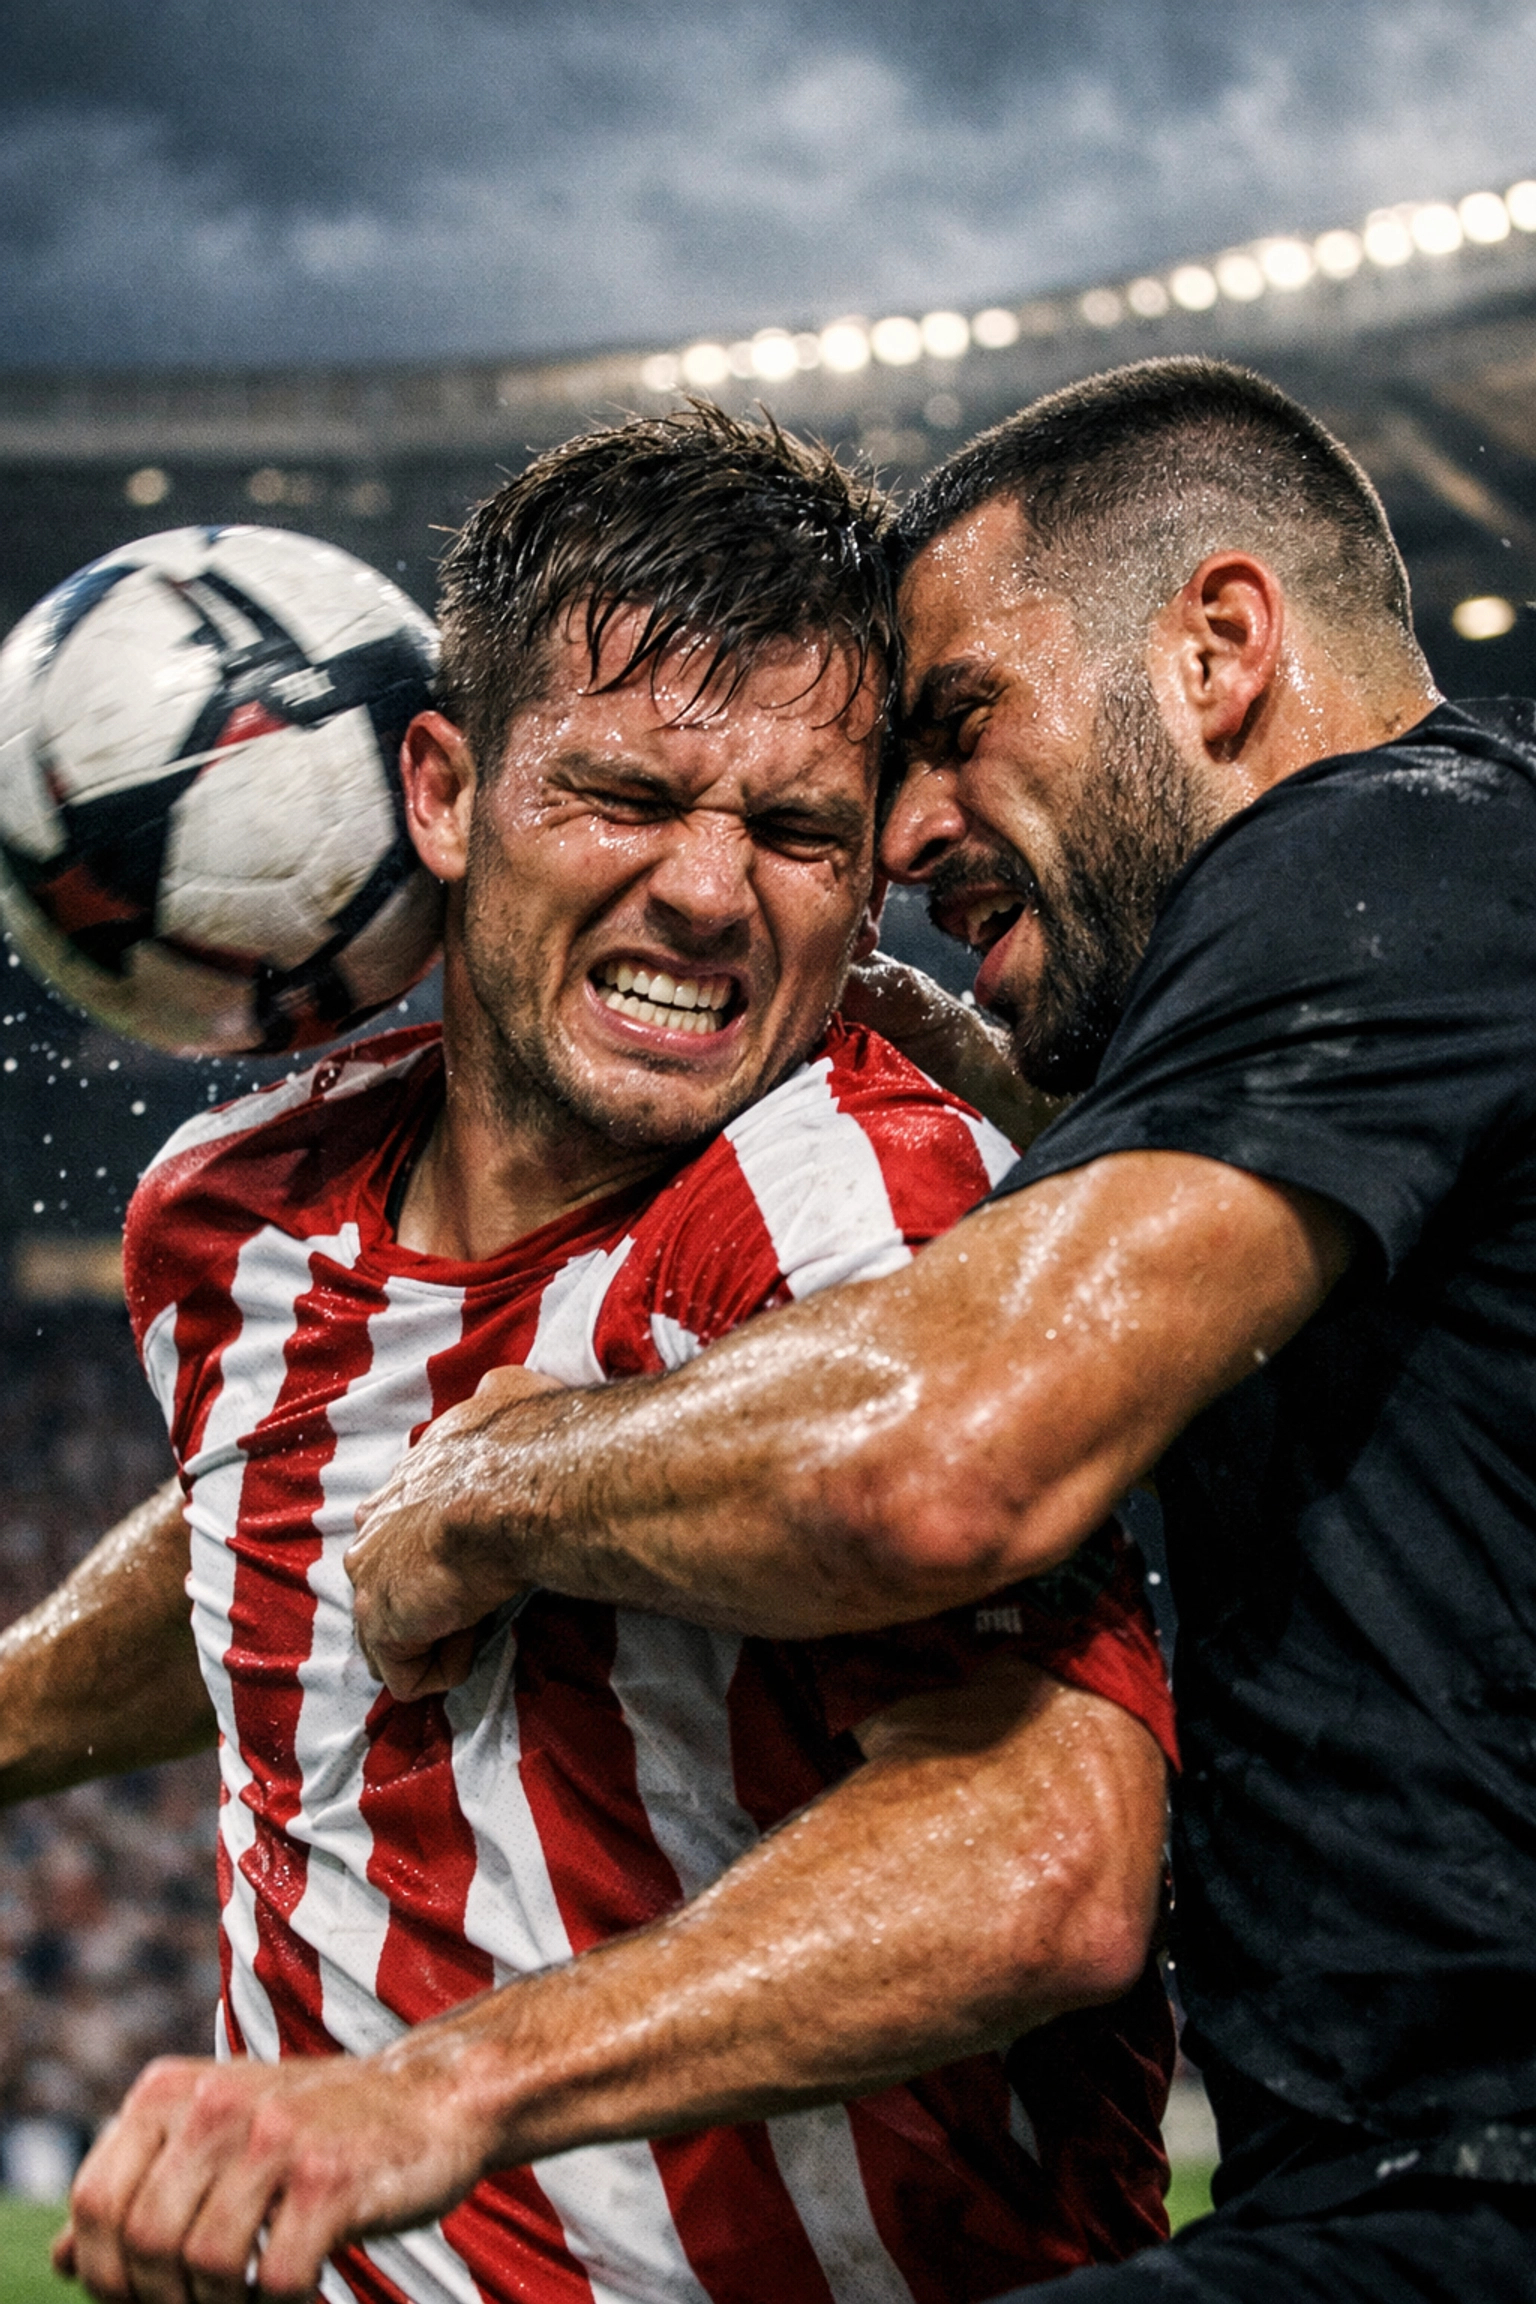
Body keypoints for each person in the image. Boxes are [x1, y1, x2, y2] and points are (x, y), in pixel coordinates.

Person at [335, 358, 1536, 2301]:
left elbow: (939, 1462)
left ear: (1220, 646)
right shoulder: (1443, 918)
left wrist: (491, 1484)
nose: (903, 834)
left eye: (960, 726)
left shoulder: (1378, 847)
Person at [50, 405, 1178, 2304]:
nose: (712, 895)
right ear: (440, 787)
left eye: (800, 831)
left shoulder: (860, 1215)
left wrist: (439, 2097)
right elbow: (261, 1531)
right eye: (629, 799)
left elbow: (1044, 1858)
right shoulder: (230, 1210)